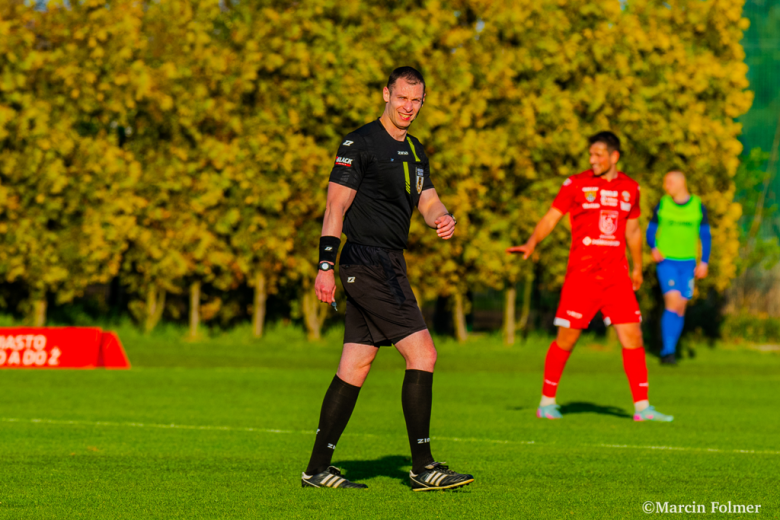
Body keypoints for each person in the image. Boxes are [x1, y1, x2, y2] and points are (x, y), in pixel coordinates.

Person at [301, 67, 474, 491]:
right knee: (424, 354)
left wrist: (442, 218)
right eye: (402, 98)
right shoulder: (357, 143)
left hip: (390, 262)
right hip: (365, 263)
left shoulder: (415, 150)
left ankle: (317, 470)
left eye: (416, 101)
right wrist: (326, 265)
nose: (408, 108)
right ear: (386, 94)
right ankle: (422, 466)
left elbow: (426, 199)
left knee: (356, 364)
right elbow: (334, 208)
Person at [507, 131, 673, 422]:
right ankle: (547, 402)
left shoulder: (631, 188)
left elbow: (633, 231)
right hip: (582, 276)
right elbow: (551, 216)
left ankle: (643, 408)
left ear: (614, 156)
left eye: (598, 154)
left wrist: (636, 266)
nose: (592, 159)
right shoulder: (576, 184)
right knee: (567, 339)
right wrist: (532, 243)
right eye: (590, 154)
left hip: (617, 277)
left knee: (633, 337)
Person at [646, 171, 711, 365]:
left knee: (681, 307)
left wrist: (704, 261)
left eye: (670, 182)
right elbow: (650, 230)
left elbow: (705, 236)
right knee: (672, 302)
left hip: (688, 263)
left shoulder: (698, 206)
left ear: (682, 183)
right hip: (667, 261)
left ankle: (671, 347)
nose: (666, 186)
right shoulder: (663, 204)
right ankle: (667, 351)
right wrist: (654, 247)